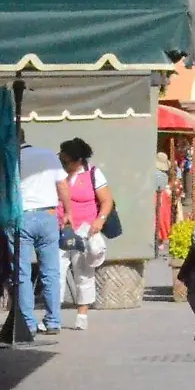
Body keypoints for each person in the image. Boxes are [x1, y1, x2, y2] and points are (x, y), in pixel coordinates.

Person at [15, 129, 72, 334]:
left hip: (22, 217)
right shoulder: (48, 155)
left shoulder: (11, 158)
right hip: (48, 215)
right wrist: (67, 212)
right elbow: (62, 185)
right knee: (51, 272)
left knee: (22, 273)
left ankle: (29, 323)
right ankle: (53, 321)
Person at [57, 138, 114, 331]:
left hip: (85, 229)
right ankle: (53, 315)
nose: (63, 164)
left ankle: (82, 314)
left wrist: (100, 220)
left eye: (66, 161)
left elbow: (107, 200)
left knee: (83, 272)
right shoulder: (58, 174)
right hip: (61, 229)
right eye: (61, 159)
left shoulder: (93, 174)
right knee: (56, 271)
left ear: (78, 160)